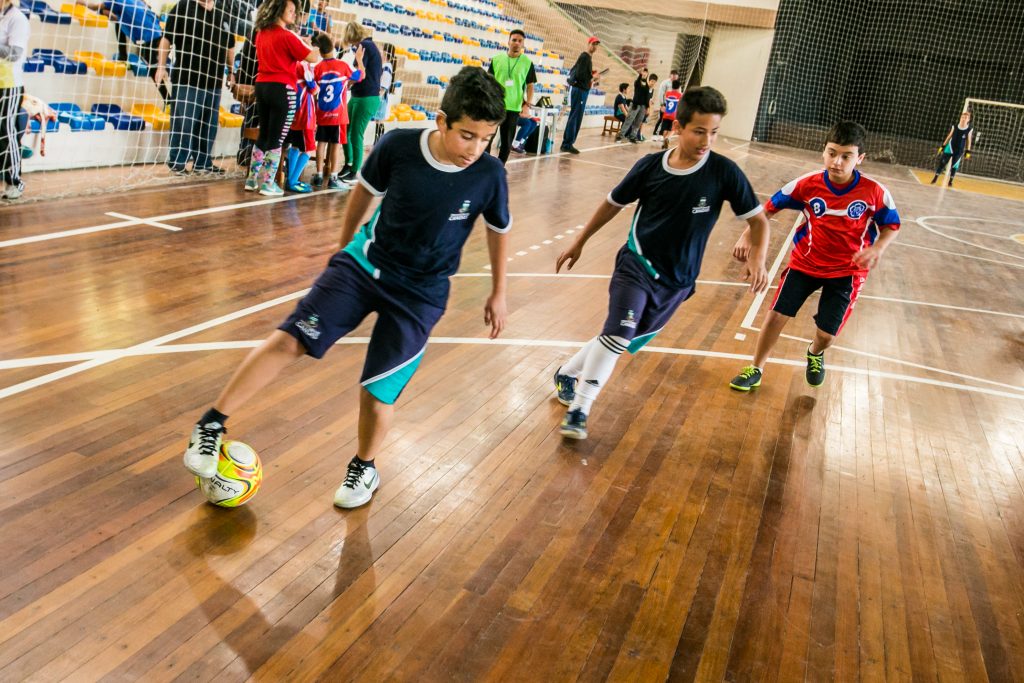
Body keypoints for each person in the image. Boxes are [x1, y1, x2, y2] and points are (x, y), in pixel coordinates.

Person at [182, 67, 512, 510]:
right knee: (290, 340)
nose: (476, 149)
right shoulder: (398, 146)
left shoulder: (489, 174)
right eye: (467, 136)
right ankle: (211, 425)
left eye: (486, 138)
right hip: (364, 266)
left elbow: (498, 229)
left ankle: (365, 466)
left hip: (421, 294)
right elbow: (364, 193)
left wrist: (498, 291)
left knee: (378, 392)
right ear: (441, 120)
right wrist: (343, 252)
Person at [552, 87, 770, 439]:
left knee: (624, 339)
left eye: (714, 132)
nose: (706, 140)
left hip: (678, 282)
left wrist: (759, 260)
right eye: (699, 131)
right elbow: (612, 203)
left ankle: (567, 372)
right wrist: (580, 241)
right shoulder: (650, 167)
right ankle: (580, 409)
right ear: (678, 127)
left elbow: (758, 221)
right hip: (637, 265)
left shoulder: (724, 173)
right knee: (620, 331)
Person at [729, 121, 900, 391]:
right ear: (823, 152)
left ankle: (815, 352)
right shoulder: (807, 184)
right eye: (832, 153)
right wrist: (746, 236)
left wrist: (877, 248)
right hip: (805, 263)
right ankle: (757, 368)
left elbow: (891, 224)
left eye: (846, 156)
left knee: (826, 335)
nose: (837, 162)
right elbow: (767, 209)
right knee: (775, 316)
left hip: (847, 272)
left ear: (860, 158)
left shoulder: (874, 192)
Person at [243, 0, 318, 196]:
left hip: (262, 86)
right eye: (291, 11)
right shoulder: (287, 36)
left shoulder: (261, 33)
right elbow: (313, 58)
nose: (294, 14)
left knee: (264, 135)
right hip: (283, 89)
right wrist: (310, 45)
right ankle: (268, 184)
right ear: (279, 10)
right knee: (278, 138)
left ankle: (251, 180)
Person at [156, 0, 237, 175]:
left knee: (208, 126)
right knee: (183, 123)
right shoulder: (184, 6)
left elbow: (229, 46)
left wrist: (232, 71)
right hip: (187, 79)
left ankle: (203, 163)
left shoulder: (223, 13)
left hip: (213, 81)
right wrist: (161, 67)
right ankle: (178, 162)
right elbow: (166, 38)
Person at [76, 0, 167, 101]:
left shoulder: (115, 1)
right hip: (159, 31)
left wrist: (82, 3)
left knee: (154, 71)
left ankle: (169, 101)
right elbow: (117, 18)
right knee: (157, 68)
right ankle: (123, 55)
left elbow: (95, 6)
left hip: (148, 37)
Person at [312, 34, 363, 189]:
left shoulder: (318, 68)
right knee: (335, 145)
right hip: (338, 115)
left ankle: (319, 175)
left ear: (320, 53)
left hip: (322, 113)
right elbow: (360, 76)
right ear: (333, 48)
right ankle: (333, 178)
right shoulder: (342, 65)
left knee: (320, 144)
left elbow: (313, 87)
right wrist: (359, 60)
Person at [338, 21, 382, 183]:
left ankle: (356, 171)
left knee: (356, 134)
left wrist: (357, 61)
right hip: (358, 95)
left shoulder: (365, 46)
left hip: (367, 97)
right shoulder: (366, 45)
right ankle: (349, 164)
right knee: (345, 129)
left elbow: (361, 72)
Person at [487, 28, 536, 164]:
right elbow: (488, 82)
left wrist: (527, 105)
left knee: (507, 141)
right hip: (495, 106)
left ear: (523, 44)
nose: (517, 43)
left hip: (513, 108)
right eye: (514, 40)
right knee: (488, 137)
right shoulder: (497, 60)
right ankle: (484, 166)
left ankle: (500, 166)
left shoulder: (527, 63)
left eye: (520, 41)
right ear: (508, 42)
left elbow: (530, 85)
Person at [0, 0, 29, 200]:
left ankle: (15, 181)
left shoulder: (17, 18)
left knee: (6, 130)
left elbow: (14, 54)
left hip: (8, 85)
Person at [282, 60, 318, 193]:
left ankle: (291, 180)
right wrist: (316, 88)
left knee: (295, 147)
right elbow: (313, 88)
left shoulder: (290, 64)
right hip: (305, 115)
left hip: (294, 112)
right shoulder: (303, 64)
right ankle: (292, 181)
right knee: (308, 150)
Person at [560, 35, 599, 155]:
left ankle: (567, 143)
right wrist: (593, 77)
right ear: (588, 44)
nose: (594, 47)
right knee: (576, 116)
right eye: (593, 44)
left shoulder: (587, 58)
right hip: (580, 90)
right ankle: (567, 143)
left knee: (576, 116)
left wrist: (591, 75)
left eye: (596, 45)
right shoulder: (585, 57)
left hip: (581, 90)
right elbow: (581, 76)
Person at [930, 111, 973, 187]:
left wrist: (968, 151)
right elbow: (949, 136)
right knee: (942, 163)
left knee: (954, 166)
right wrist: (943, 146)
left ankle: (950, 181)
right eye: (962, 117)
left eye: (966, 118)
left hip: (959, 150)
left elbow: (969, 140)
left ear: (968, 120)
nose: (964, 119)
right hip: (950, 147)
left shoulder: (969, 130)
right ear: (960, 118)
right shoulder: (955, 126)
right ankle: (935, 178)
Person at [618, 69, 655, 144]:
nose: (644, 74)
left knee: (638, 122)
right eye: (643, 72)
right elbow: (638, 83)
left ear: (647, 74)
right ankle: (621, 135)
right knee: (629, 120)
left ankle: (633, 136)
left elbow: (647, 97)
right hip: (635, 104)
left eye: (646, 73)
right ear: (641, 73)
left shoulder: (647, 86)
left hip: (643, 106)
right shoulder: (637, 82)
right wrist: (640, 74)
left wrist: (647, 107)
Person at [371, 42, 393, 143]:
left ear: (385, 53)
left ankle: (378, 143)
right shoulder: (385, 66)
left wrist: (377, 98)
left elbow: (383, 86)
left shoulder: (387, 68)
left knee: (379, 122)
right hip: (380, 97)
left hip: (381, 98)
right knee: (378, 122)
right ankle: (377, 143)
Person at [652, 68, 678, 140]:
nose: (674, 78)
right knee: (661, 119)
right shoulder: (665, 83)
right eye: (673, 77)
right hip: (665, 104)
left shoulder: (677, 85)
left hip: (673, 106)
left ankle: (663, 136)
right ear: (670, 76)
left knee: (669, 122)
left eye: (676, 77)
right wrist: (662, 105)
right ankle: (655, 134)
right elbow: (661, 94)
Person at [659, 79, 681, 149]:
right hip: (674, 116)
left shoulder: (667, 93)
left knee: (664, 129)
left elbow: (665, 101)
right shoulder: (680, 95)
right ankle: (668, 138)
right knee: (672, 130)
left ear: (672, 86)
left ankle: (664, 141)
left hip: (666, 114)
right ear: (679, 87)